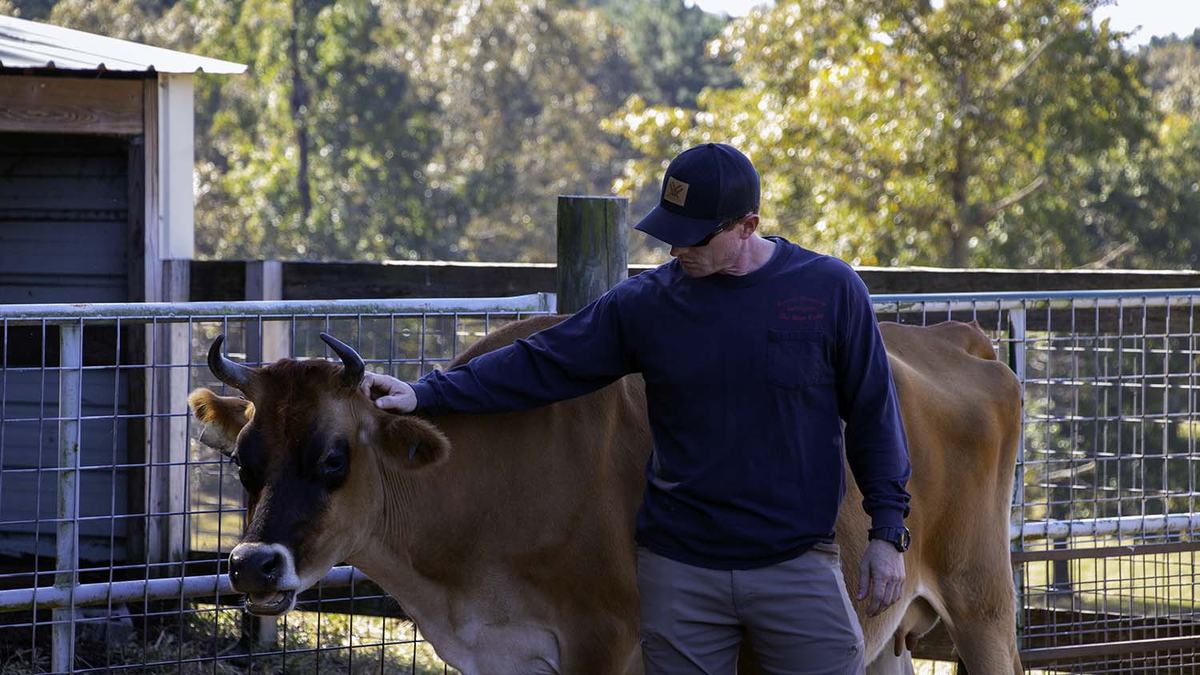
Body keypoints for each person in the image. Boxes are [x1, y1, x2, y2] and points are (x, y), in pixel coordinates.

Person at [362, 143, 911, 674]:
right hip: (682, 573)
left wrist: (887, 531)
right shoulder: (648, 304)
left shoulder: (830, 291)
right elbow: (543, 362)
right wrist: (428, 393)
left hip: (797, 566)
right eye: (669, 234)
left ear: (747, 226)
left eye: (693, 237)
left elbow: (874, 416)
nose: (676, 250)